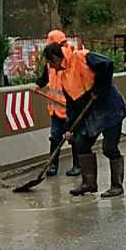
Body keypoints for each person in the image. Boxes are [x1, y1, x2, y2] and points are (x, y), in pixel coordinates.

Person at [41, 41, 126, 198]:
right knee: (81, 143)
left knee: (109, 147)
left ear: (56, 58)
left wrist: (98, 89)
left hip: (109, 106)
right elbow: (71, 105)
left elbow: (107, 64)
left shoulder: (82, 57)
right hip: (89, 112)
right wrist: (69, 128)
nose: (50, 67)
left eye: (50, 63)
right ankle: (88, 183)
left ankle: (117, 186)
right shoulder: (63, 76)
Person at [36, 30, 81, 177]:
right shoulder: (51, 62)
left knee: (73, 137)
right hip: (55, 109)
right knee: (55, 137)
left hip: (69, 109)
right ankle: (53, 166)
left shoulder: (70, 61)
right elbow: (46, 77)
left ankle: (78, 165)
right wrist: (38, 85)